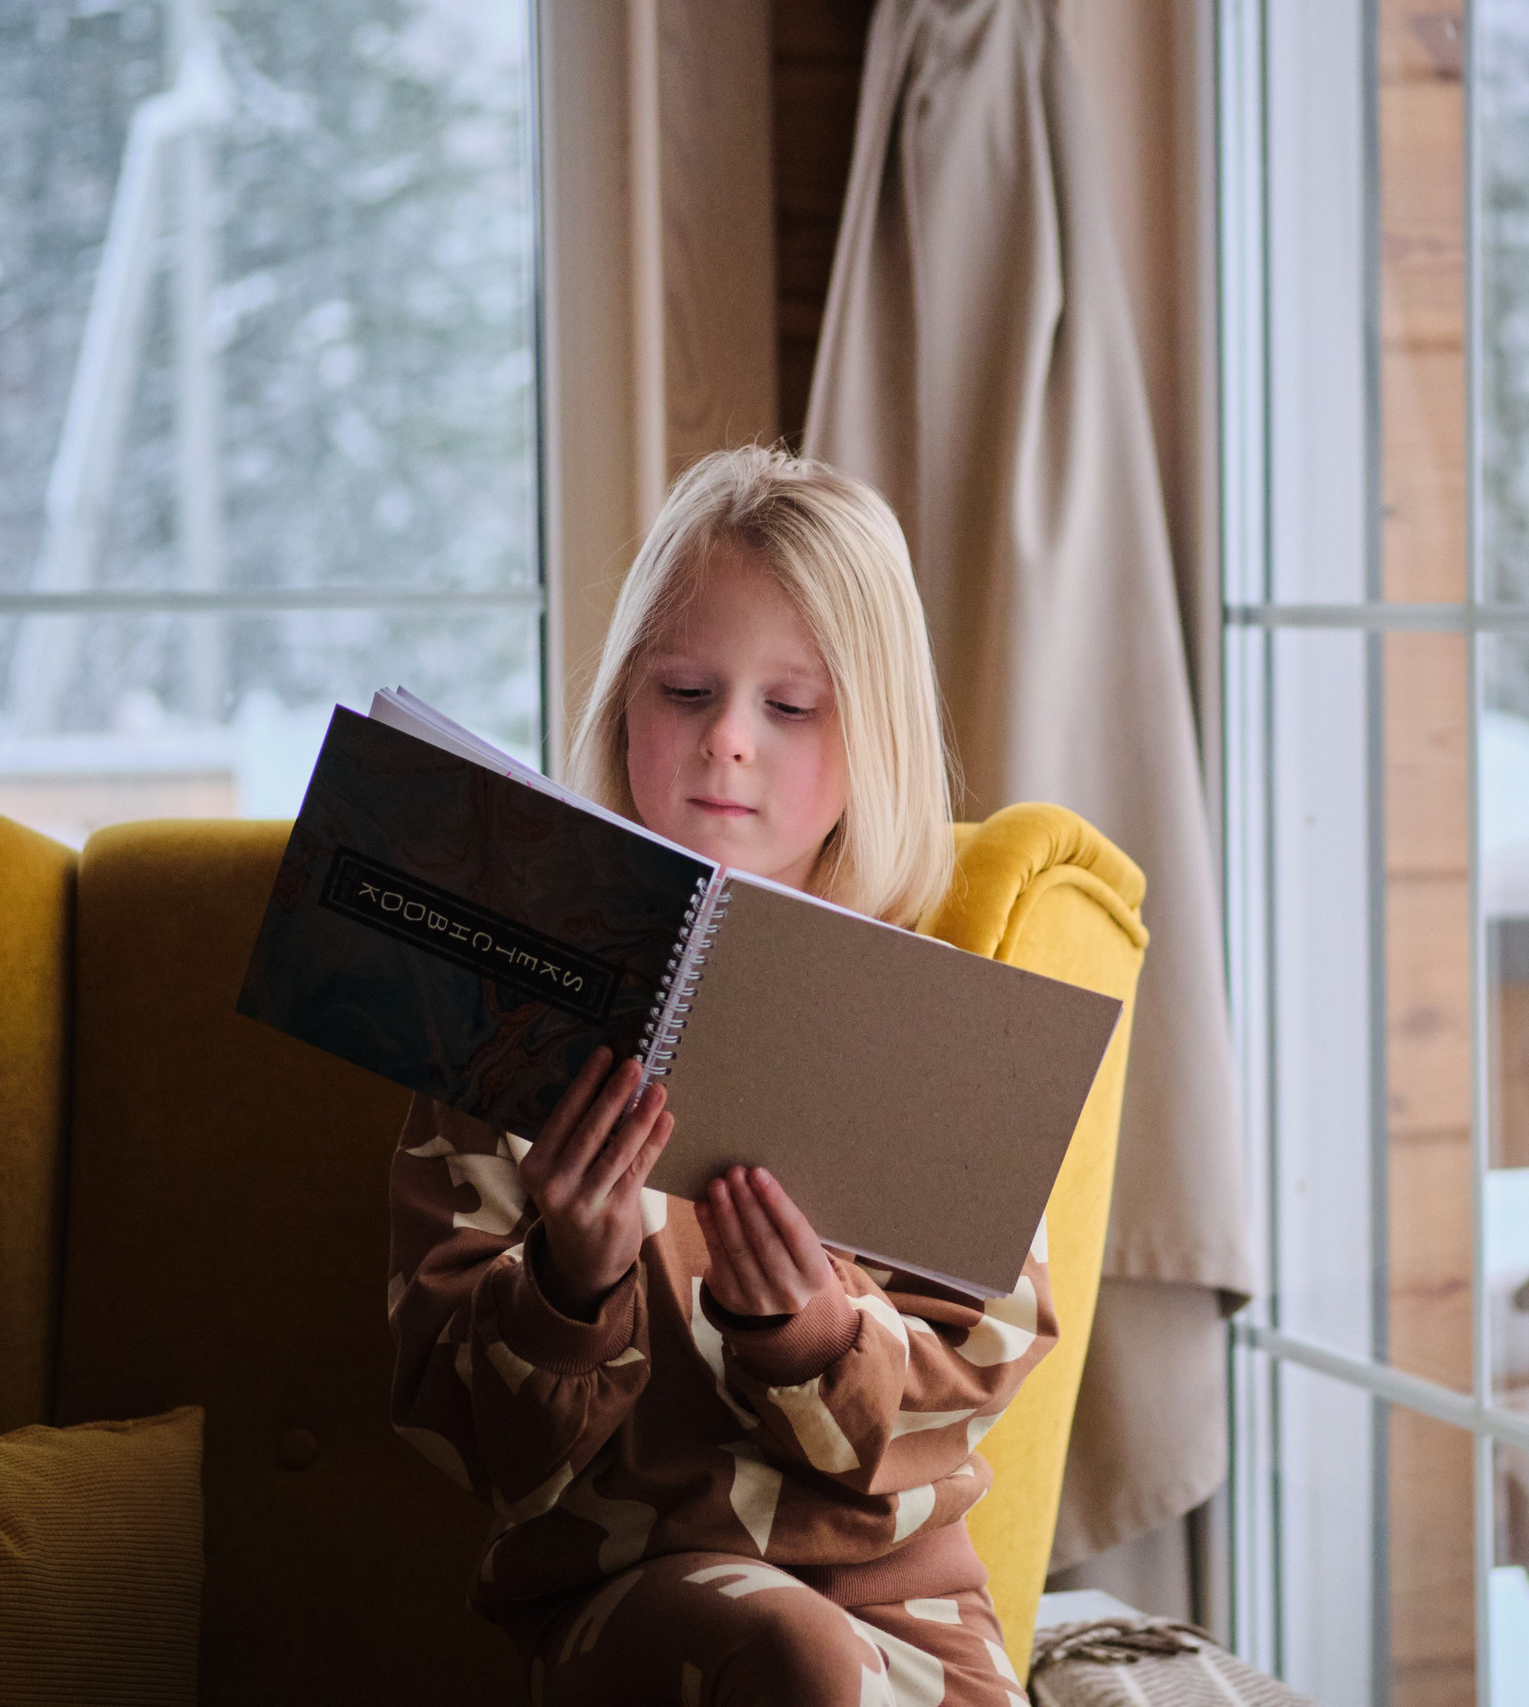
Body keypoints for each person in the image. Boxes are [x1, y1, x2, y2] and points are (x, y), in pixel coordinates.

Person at [387, 446, 1049, 1706]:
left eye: (790, 709)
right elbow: (461, 1434)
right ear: (624, 704)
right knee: (790, 1658)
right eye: (684, 689)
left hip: (904, 1606)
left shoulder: (924, 1030)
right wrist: (567, 1284)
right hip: (634, 1606)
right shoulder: (501, 1018)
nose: (727, 743)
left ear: (875, 746)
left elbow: (985, 1365)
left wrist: (812, 1336)